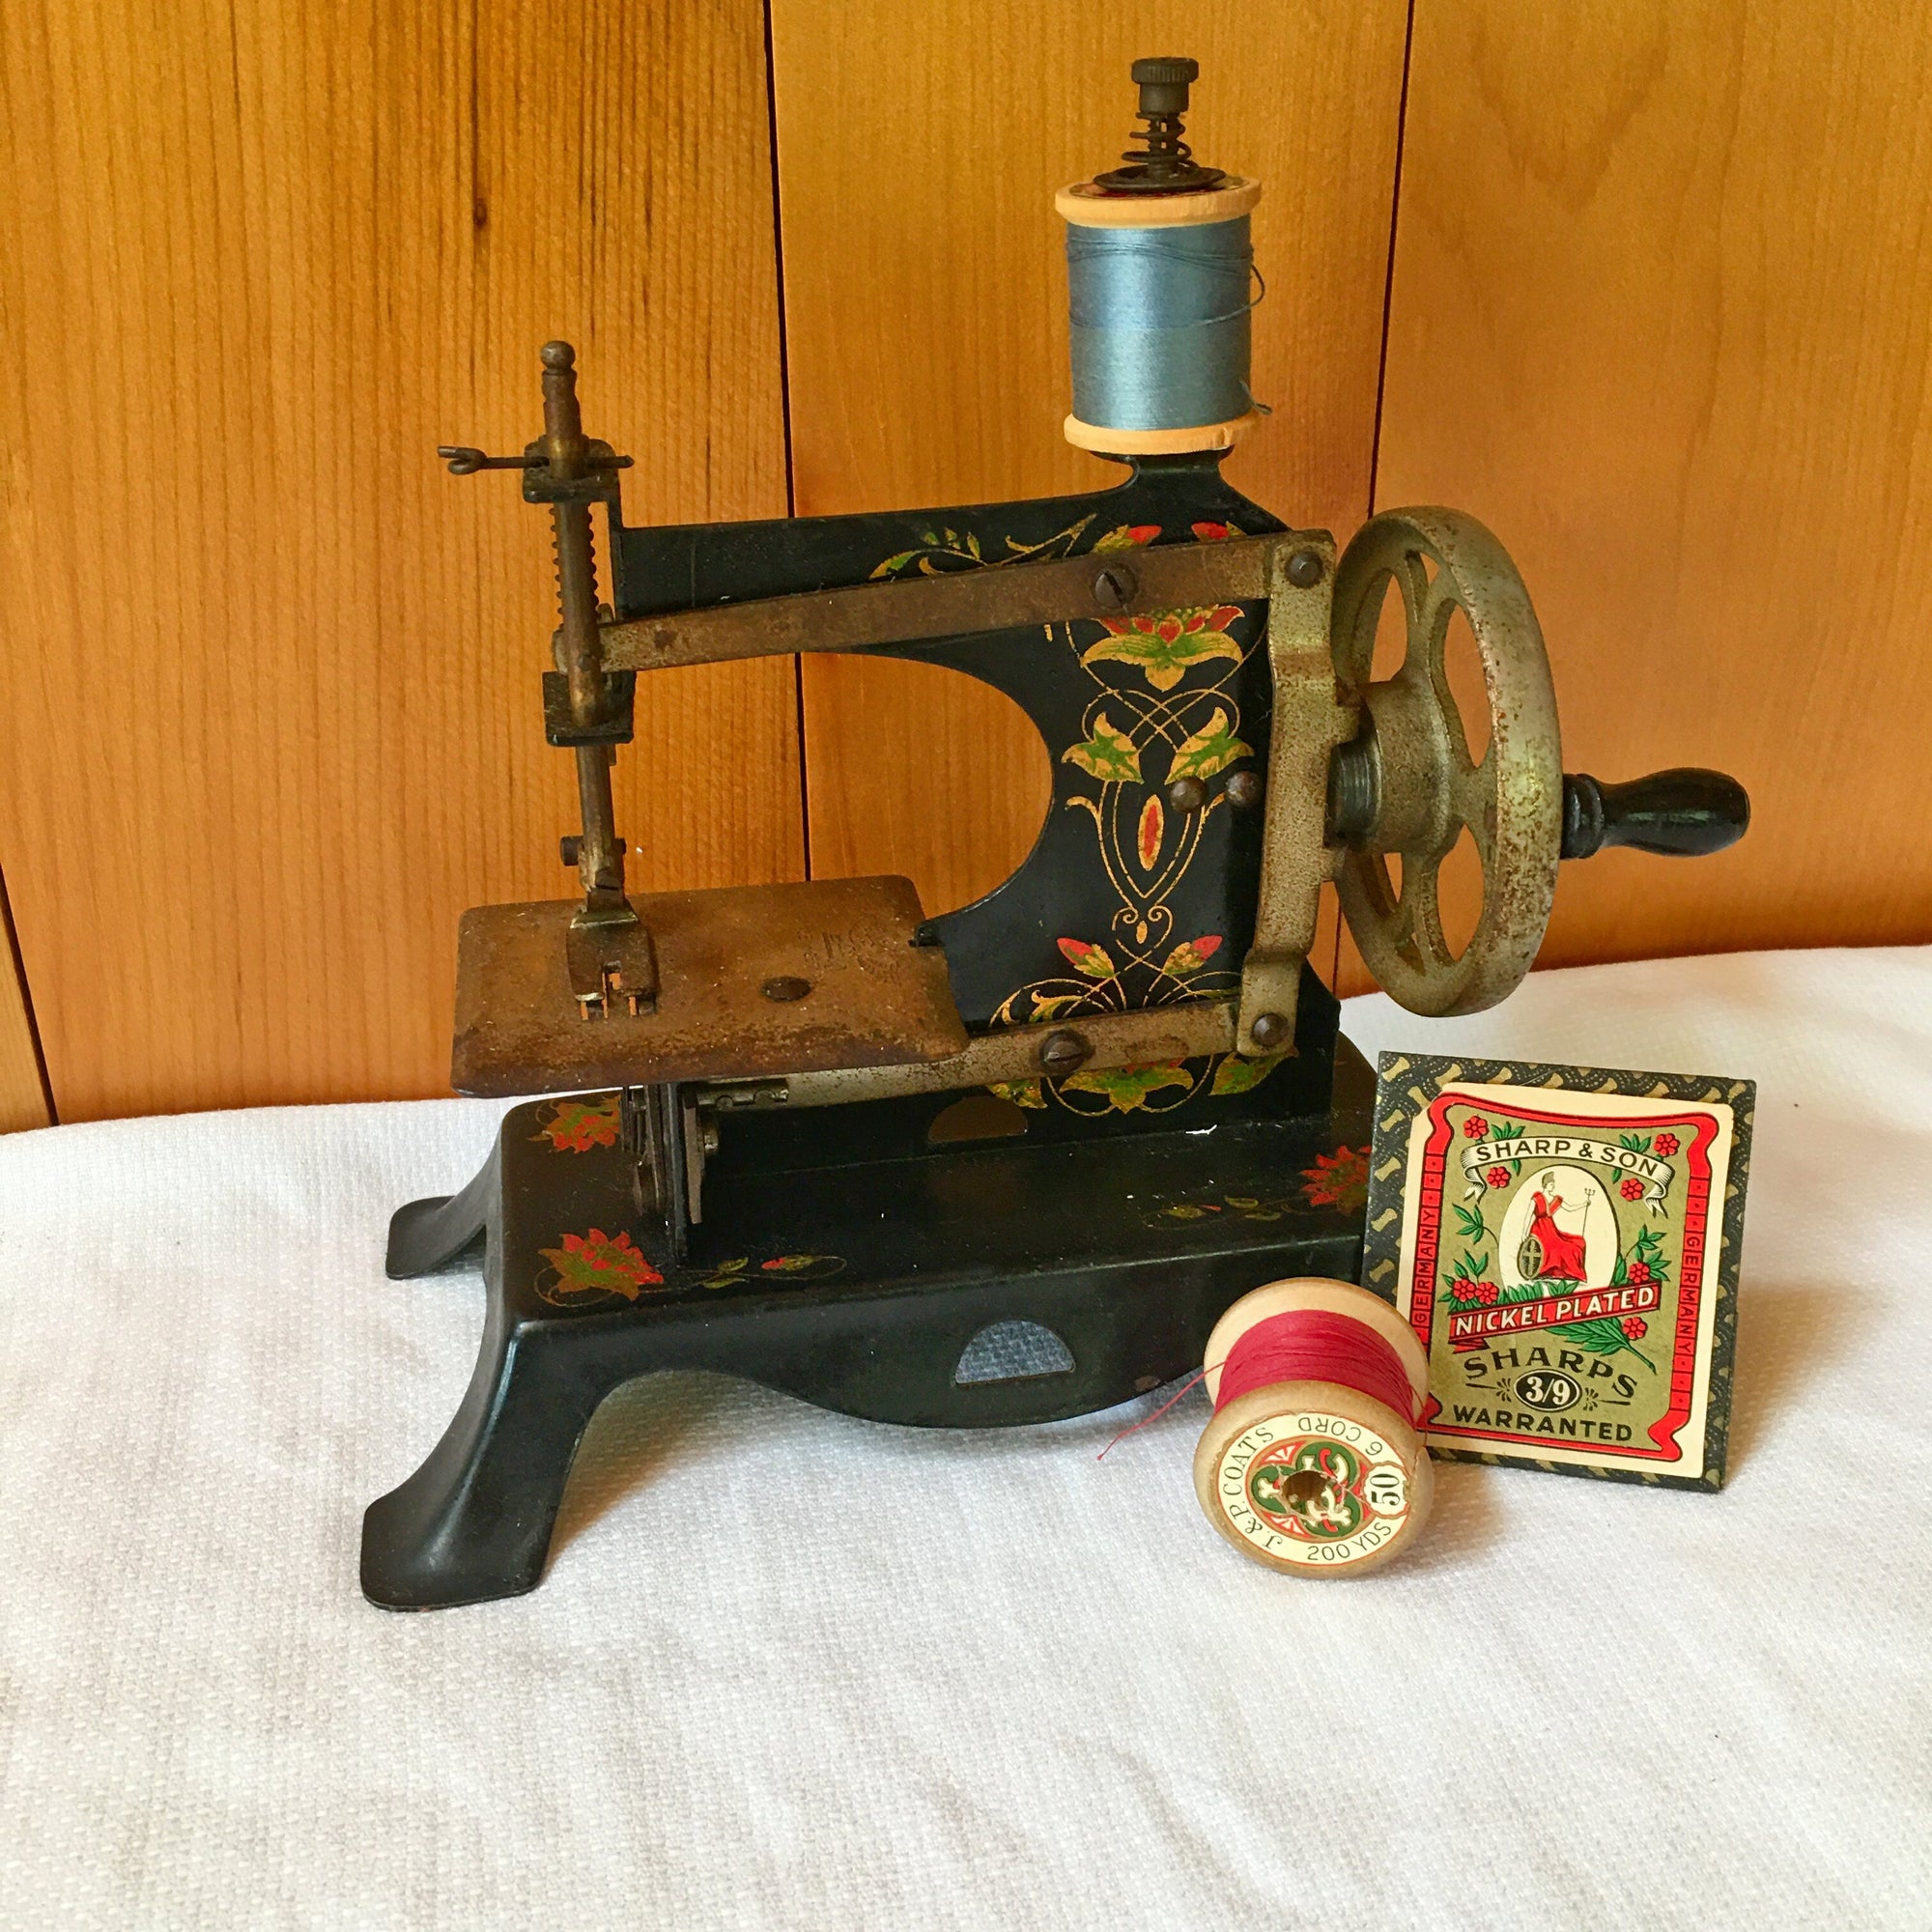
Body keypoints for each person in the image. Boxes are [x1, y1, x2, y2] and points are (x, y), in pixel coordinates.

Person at [1527, 1183, 1589, 1282]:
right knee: (1559, 1249)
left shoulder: (1556, 1200)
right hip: (1539, 1231)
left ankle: (1565, 1272)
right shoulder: (1536, 1198)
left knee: (1576, 1244)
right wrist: (1524, 1233)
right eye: (1551, 1184)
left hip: (1552, 1231)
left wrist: (1584, 1204)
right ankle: (1544, 1271)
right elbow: (1528, 1216)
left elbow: (1569, 1208)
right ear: (1545, 1185)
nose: (1553, 1186)